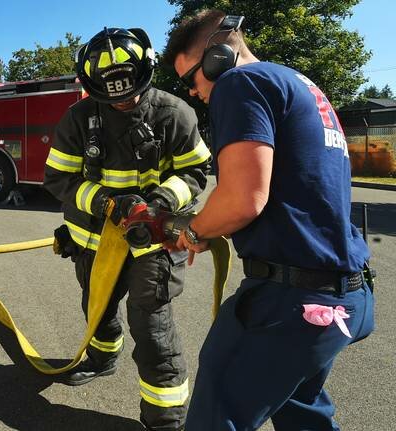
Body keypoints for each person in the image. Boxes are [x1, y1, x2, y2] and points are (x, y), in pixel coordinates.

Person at [164, 10, 376, 430]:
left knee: (216, 411)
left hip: (289, 301)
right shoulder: (298, 83)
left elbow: (244, 198)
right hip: (345, 295)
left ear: (218, 56)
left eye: (191, 79)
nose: (191, 93)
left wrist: (192, 232)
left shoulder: (240, 84)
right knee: (301, 412)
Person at [43, 27, 211, 431]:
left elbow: (194, 172)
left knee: (152, 329)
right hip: (94, 244)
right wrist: (104, 202)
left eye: (130, 92)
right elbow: (57, 178)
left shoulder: (174, 114)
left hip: (150, 246)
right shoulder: (79, 118)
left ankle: (165, 420)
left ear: (145, 73)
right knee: (96, 310)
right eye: (112, 96)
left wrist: (159, 204)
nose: (124, 101)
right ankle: (102, 359)